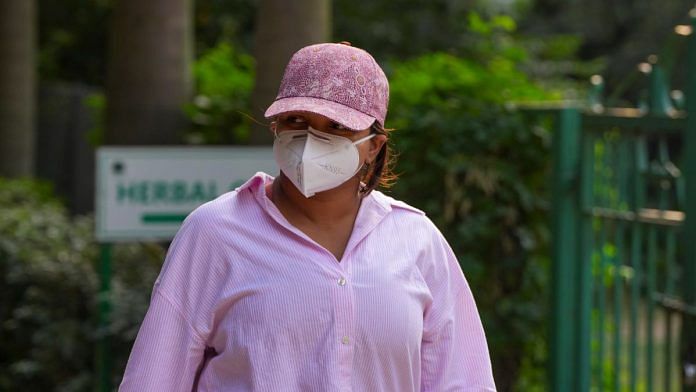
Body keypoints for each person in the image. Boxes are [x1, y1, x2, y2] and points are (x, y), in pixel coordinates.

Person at [119, 42, 496, 392]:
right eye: (297, 120)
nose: (312, 140)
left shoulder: (417, 240)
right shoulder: (215, 232)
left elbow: (462, 379)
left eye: (337, 127)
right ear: (276, 127)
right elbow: (154, 379)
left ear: (373, 146)